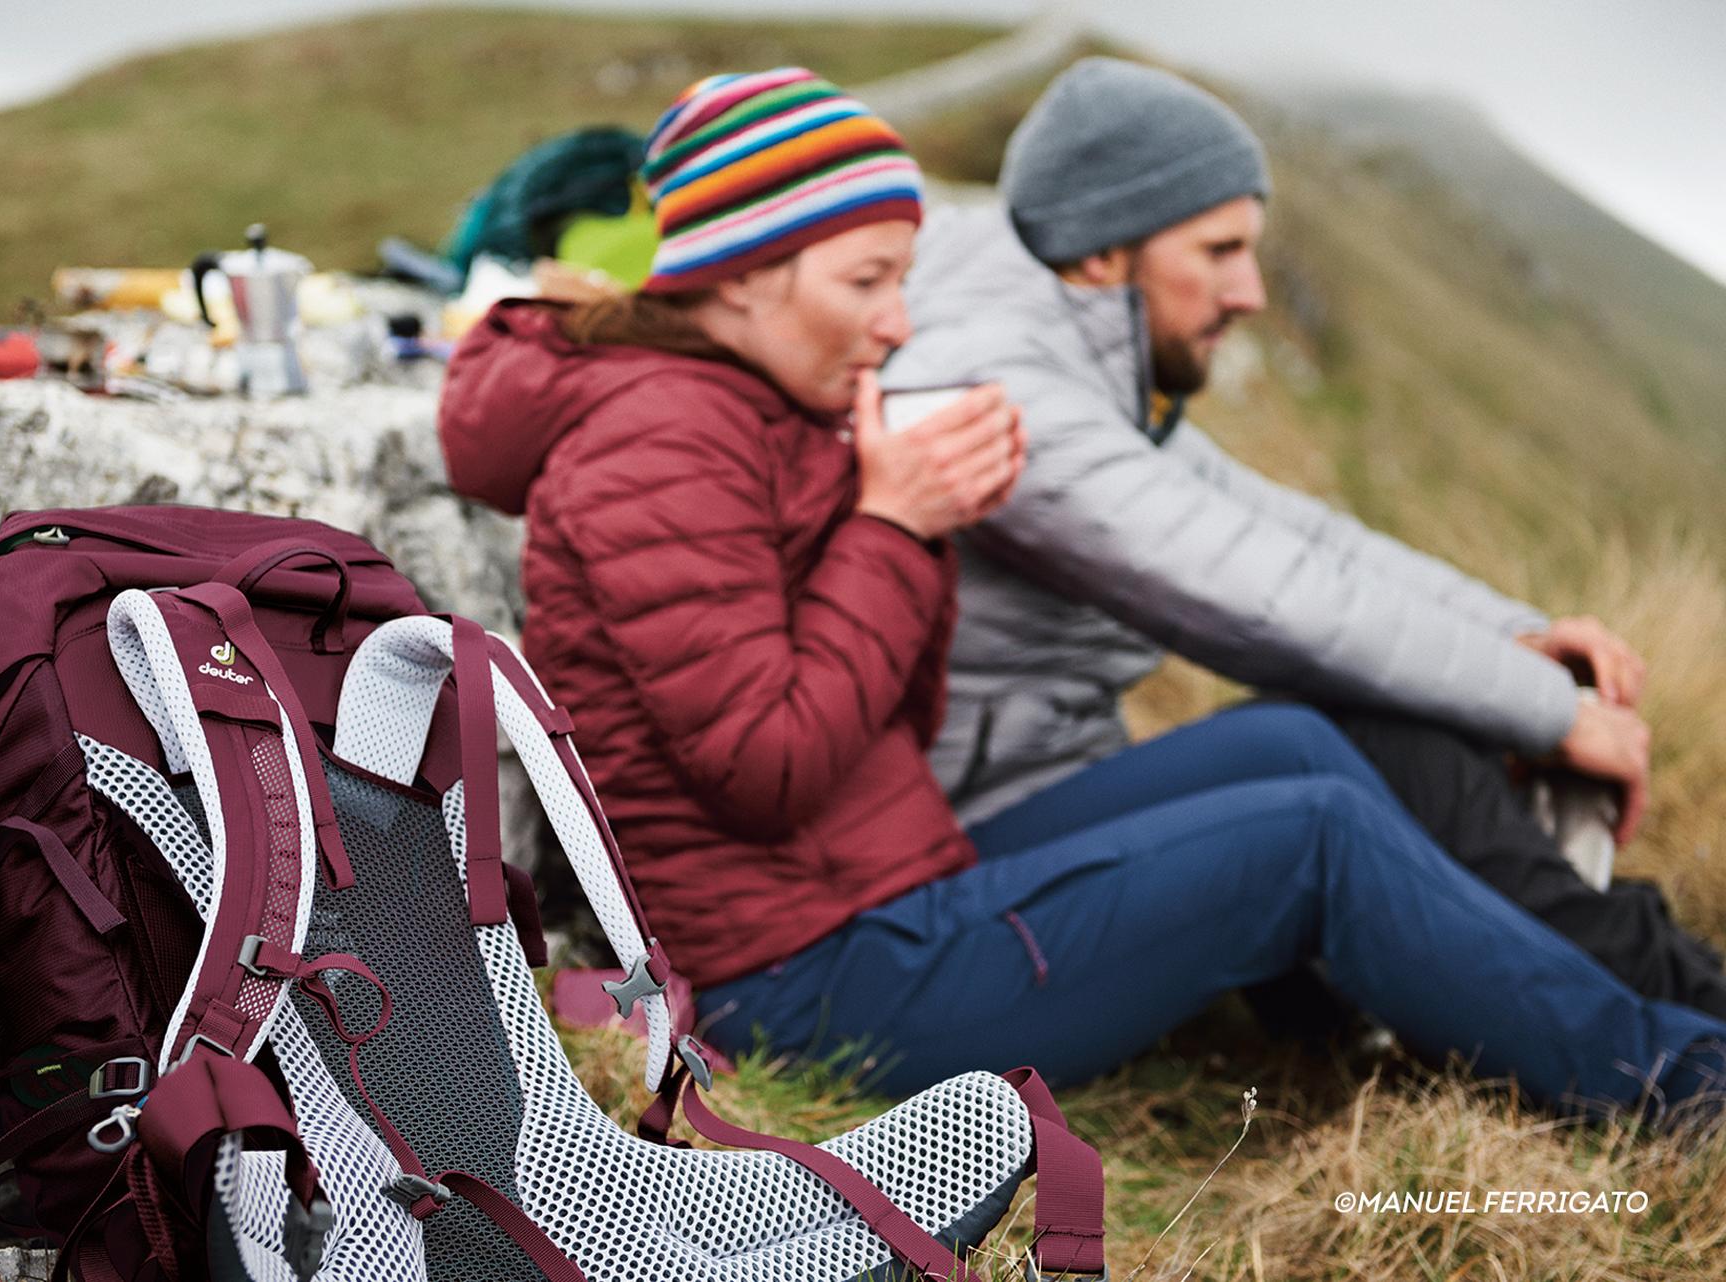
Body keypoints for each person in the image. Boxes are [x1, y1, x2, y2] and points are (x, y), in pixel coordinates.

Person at [438, 67, 1726, 1117]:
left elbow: (874, 707)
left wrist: (883, 515)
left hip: (885, 885)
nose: (899, 324)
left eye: (904, 277)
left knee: (1296, 742)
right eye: (867, 283)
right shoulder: (662, 440)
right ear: (739, 271)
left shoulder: (751, 408)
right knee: (1309, 840)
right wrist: (895, 523)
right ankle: (1677, 1081)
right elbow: (764, 762)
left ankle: (1536, 1005)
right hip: (805, 983)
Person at [883, 57, 1726, 1020]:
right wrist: (1552, 714)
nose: (1248, 292)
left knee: (1379, 729)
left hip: (1032, 800)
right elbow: (1267, 597)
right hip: (961, 858)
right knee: (1342, 736)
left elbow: (1291, 530)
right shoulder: (999, 400)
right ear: (1100, 254)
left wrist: (1515, 638)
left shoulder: (1042, 351)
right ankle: (1672, 1034)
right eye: (1218, 250)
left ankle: (1646, 991)